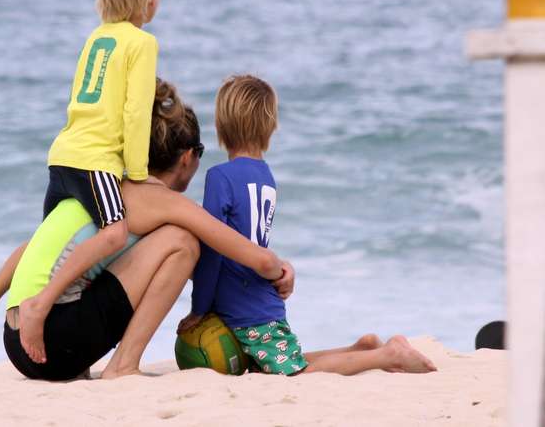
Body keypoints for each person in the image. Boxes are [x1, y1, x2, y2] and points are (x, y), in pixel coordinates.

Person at [0, 80, 292, 380]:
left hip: (15, 338)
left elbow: (36, 246)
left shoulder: (103, 186)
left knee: (60, 242)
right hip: (55, 343)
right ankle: (124, 365)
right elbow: (226, 249)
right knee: (184, 243)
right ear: (188, 157)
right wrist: (278, 269)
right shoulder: (160, 201)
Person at [178, 75, 437, 376]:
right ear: (270, 128)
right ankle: (360, 350)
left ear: (221, 126)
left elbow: (212, 251)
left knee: (293, 373)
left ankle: (387, 356)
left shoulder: (219, 177)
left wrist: (199, 308)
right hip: (257, 300)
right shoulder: (265, 176)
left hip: (246, 308)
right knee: (280, 362)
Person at [21, 0, 165, 365]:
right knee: (115, 234)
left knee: (52, 247)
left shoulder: (96, 38)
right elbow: (136, 113)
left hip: (62, 154)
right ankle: (40, 306)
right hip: (95, 161)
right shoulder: (142, 43)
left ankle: (26, 315)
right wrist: (137, 172)